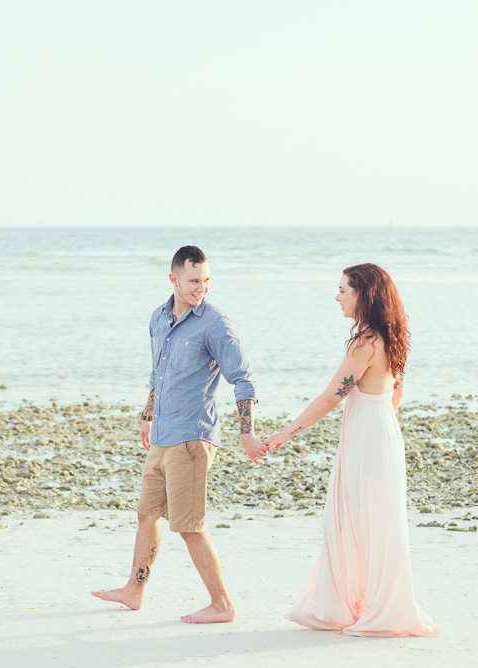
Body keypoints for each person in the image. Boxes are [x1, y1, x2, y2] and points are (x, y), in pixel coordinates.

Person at [91, 245, 268, 624]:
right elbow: (158, 373)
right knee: (146, 514)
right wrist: (147, 414)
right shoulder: (158, 318)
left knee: (189, 527)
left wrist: (247, 433)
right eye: (193, 280)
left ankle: (222, 605)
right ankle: (134, 590)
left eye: (206, 280)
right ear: (173, 279)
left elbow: (243, 378)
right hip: (162, 434)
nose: (201, 287)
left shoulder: (216, 324)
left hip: (192, 437)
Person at [264, 263, 439, 637]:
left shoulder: (365, 343)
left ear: (364, 295)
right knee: (377, 523)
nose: (337, 296)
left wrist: (284, 433)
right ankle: (368, 604)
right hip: (382, 432)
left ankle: (362, 609)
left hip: (367, 437)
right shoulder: (393, 336)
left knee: (352, 522)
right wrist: (377, 425)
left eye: (343, 290)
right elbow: (396, 394)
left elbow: (331, 396)